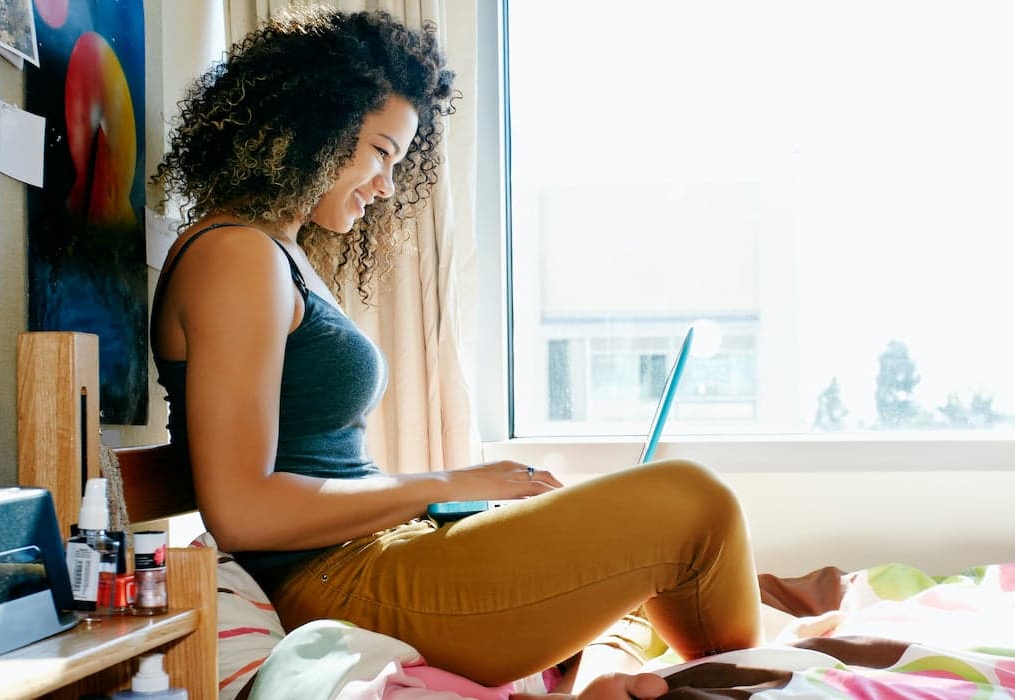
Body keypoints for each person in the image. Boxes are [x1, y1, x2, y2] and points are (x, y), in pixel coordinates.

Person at [149, 7, 760, 695]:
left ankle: (659, 681)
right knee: (690, 502)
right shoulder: (235, 256)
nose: (385, 186)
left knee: (640, 575)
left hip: (373, 557)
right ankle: (756, 680)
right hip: (335, 580)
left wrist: (447, 499)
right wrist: (447, 484)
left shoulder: (275, 253)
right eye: (381, 152)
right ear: (314, 123)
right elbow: (242, 510)